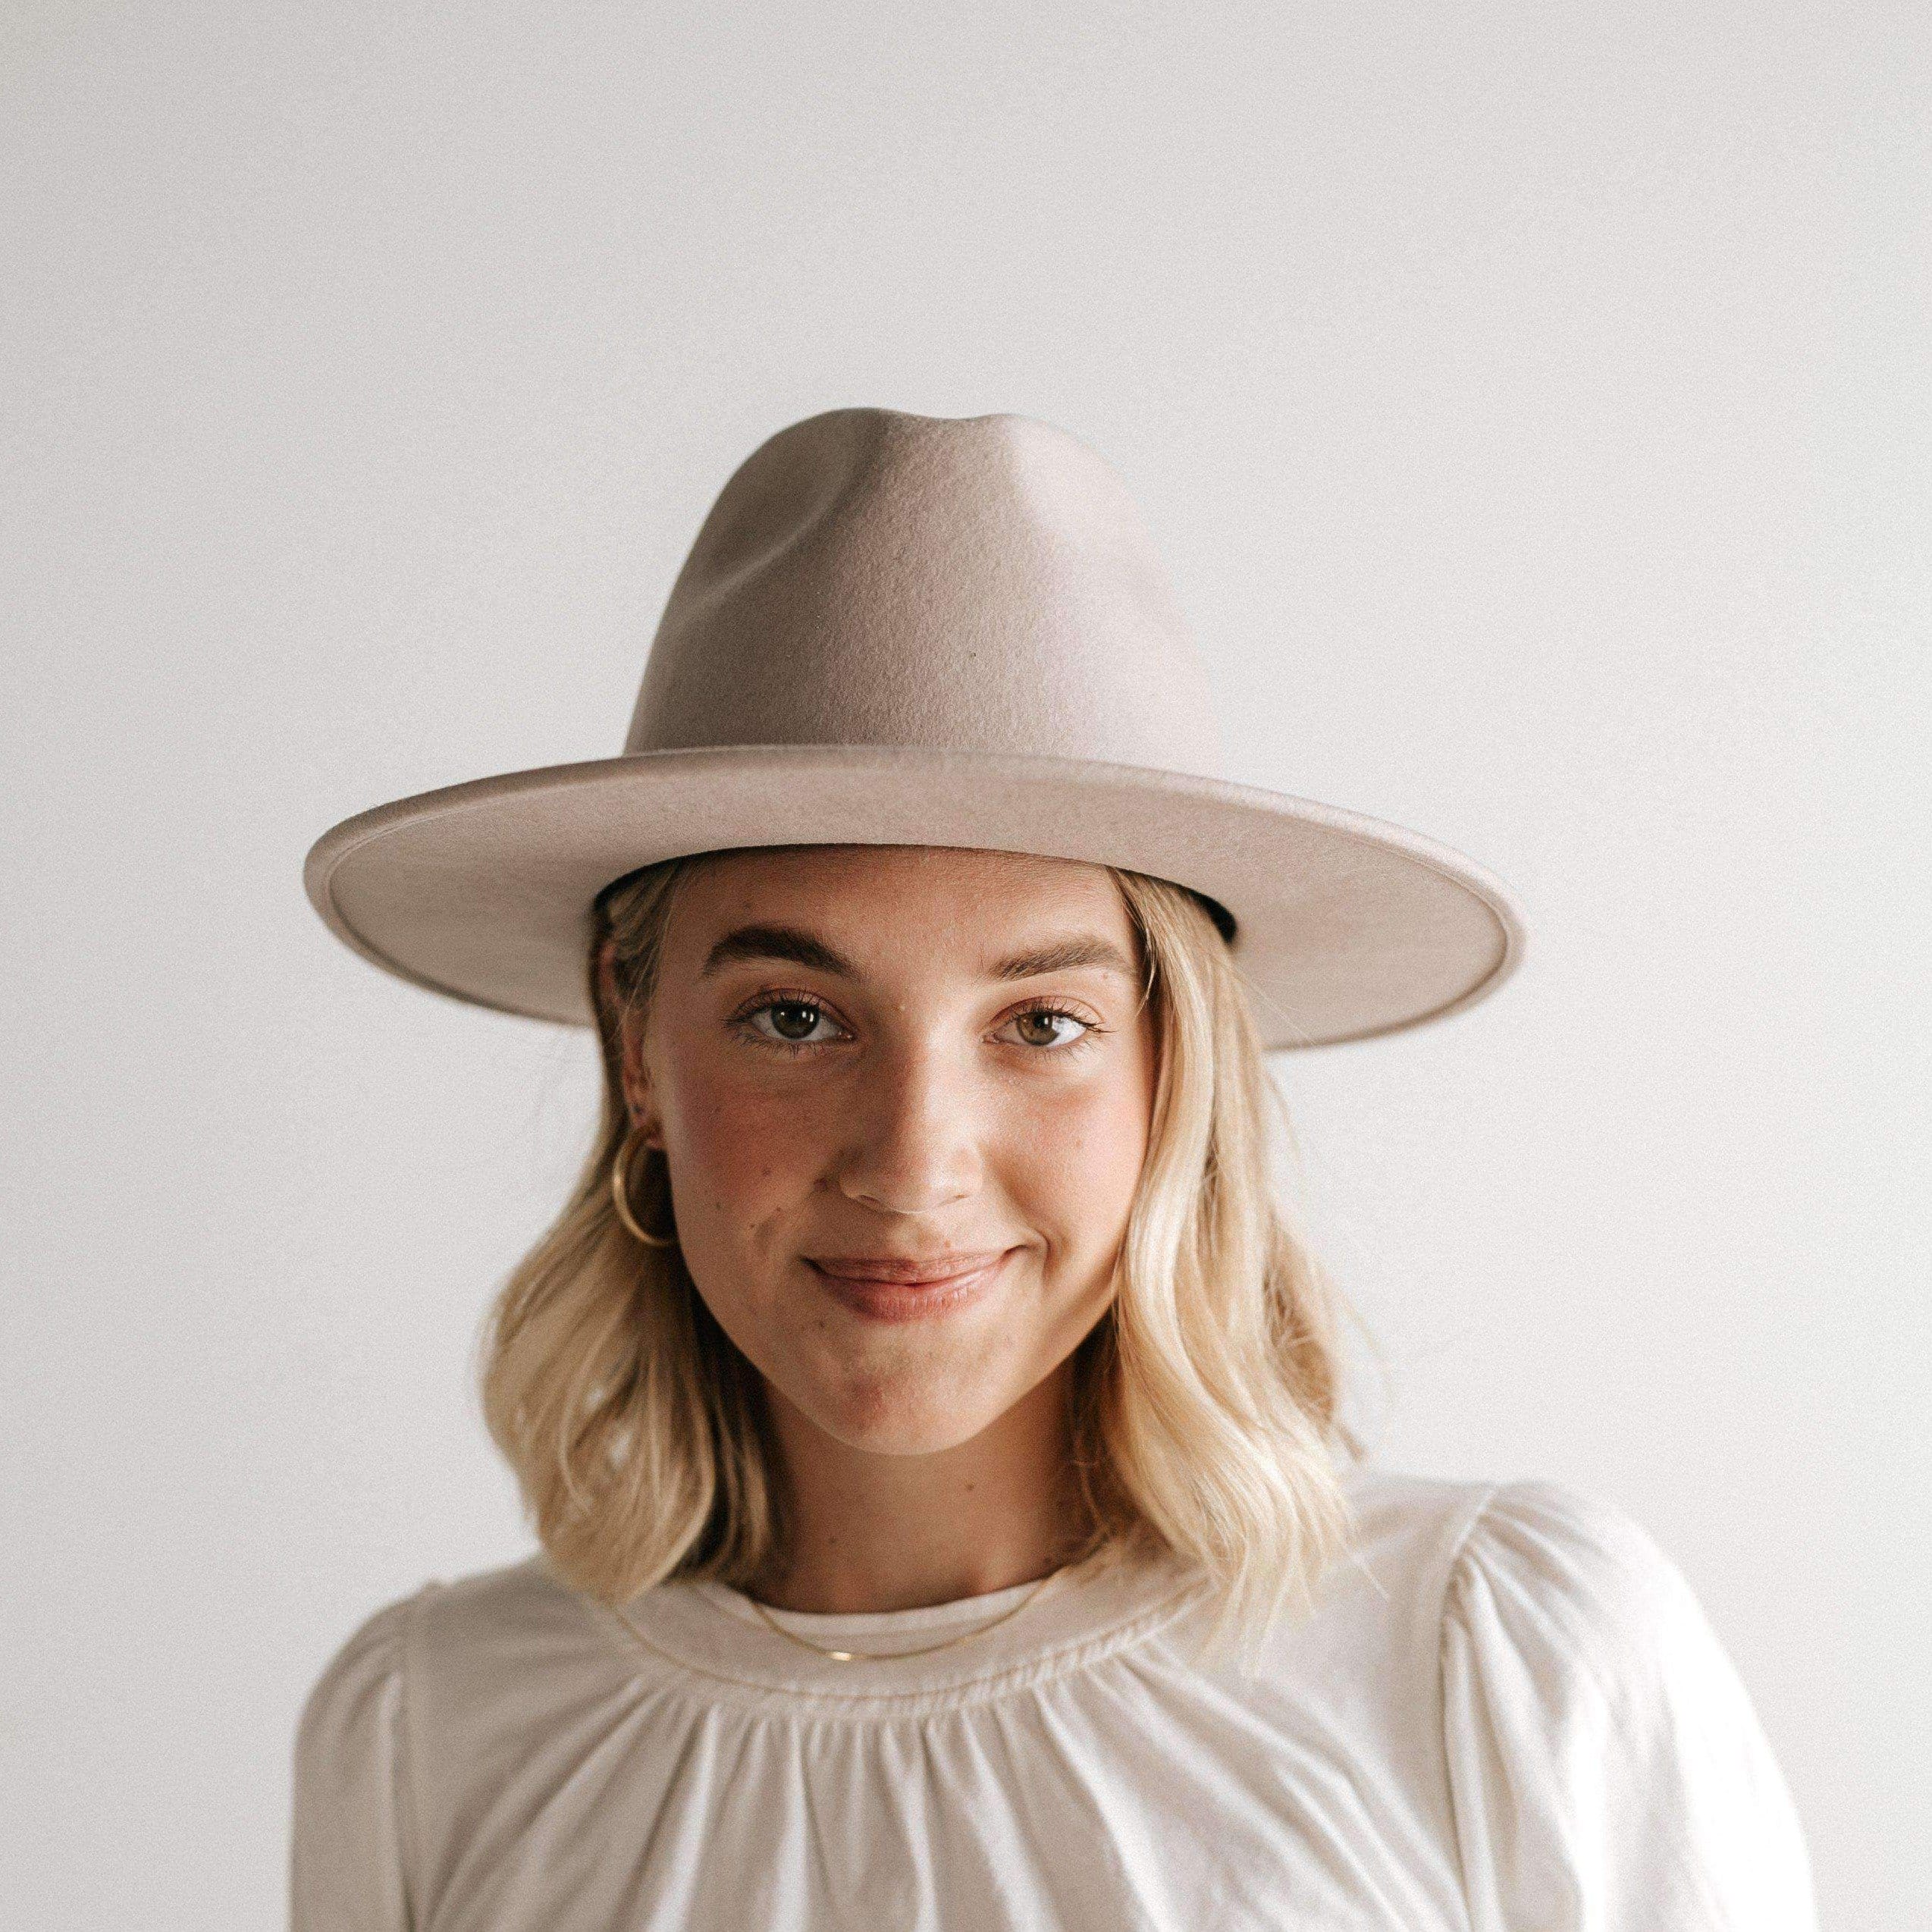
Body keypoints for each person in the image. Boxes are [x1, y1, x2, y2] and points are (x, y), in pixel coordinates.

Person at [290, 407, 1817, 1930]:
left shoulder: (1486, 1655)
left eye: (1039, 1020)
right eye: (793, 1014)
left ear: (1176, 1072)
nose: (910, 1162)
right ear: (636, 1051)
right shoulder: (432, 1736)